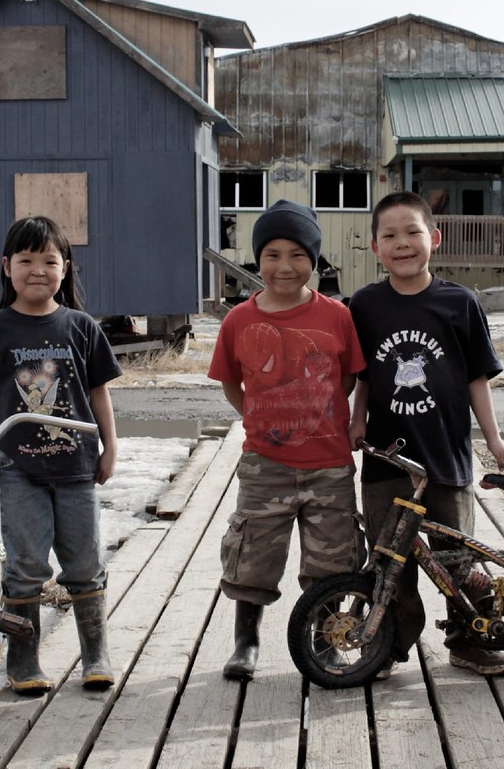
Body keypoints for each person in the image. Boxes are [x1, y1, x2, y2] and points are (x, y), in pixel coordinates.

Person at [348, 191, 504, 678]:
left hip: (446, 459)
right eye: (389, 235)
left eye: (412, 232)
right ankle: (389, 646)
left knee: (459, 560)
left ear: (434, 237)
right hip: (387, 461)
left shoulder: (460, 303)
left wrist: (493, 440)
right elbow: (364, 374)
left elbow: (477, 377)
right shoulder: (365, 305)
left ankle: (468, 642)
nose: (402, 243)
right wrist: (356, 418)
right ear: (374, 247)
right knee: (391, 562)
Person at [209, 199, 367, 681]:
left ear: (314, 261)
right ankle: (246, 641)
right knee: (252, 554)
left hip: (329, 463)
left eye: (298, 254)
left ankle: (328, 639)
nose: (285, 266)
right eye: (273, 254)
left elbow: (347, 379)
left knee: (332, 557)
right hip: (265, 464)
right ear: (258, 259)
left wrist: (319, 417)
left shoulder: (337, 316)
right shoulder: (238, 320)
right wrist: (261, 417)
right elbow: (229, 383)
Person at [0, 216, 122, 694]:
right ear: (6, 267)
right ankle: (23, 660)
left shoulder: (81, 326)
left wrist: (110, 445)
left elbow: (98, 394)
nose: (38, 270)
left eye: (49, 260)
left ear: (66, 267)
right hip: (20, 469)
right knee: (27, 565)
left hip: (77, 466)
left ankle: (96, 655)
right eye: (26, 260)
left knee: (83, 563)